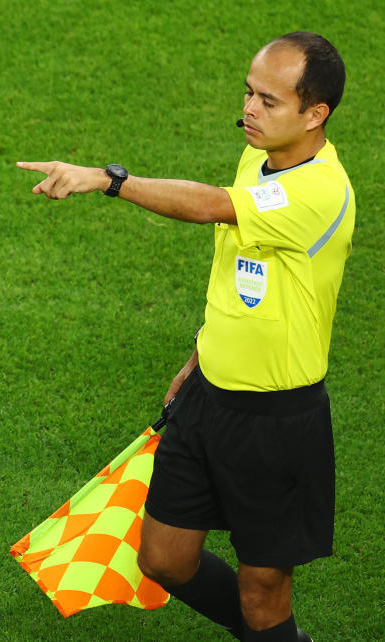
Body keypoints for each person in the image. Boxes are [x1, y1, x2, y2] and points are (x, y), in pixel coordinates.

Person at [18, 32, 352, 642]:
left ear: (315, 114)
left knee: (263, 593)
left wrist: (108, 179)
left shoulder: (319, 190)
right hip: (209, 397)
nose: (250, 109)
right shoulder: (261, 157)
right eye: (249, 93)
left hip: (276, 421)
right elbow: (243, 277)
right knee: (163, 559)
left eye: (269, 101)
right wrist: (200, 356)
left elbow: (210, 207)